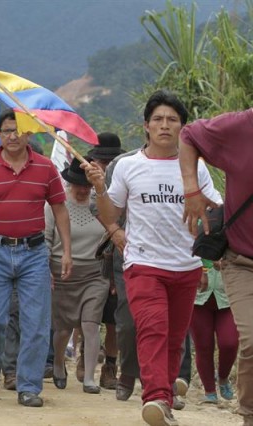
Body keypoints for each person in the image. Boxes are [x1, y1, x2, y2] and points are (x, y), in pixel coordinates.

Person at [83, 90, 221, 426]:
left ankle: (165, 398)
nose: (164, 125)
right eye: (157, 119)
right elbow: (111, 213)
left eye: (172, 120)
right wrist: (100, 188)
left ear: (183, 128)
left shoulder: (197, 169)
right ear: (145, 126)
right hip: (144, 265)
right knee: (153, 329)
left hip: (186, 267)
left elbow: (215, 210)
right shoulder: (129, 165)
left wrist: (209, 255)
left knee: (175, 339)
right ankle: (156, 397)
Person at [0, 109, 72, 408]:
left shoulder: (46, 167)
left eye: (18, 130)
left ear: (28, 133)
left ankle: (28, 386)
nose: (12, 136)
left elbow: (60, 209)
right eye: (7, 131)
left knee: (36, 323)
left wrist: (66, 251)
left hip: (35, 253)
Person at [179, 109, 253, 425]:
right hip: (242, 261)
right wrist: (192, 190)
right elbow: (189, 135)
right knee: (250, 339)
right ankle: (249, 412)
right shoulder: (241, 127)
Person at [48, 158, 107, 394]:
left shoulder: (101, 204)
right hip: (62, 273)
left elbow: (114, 230)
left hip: (95, 273)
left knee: (90, 325)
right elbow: (45, 238)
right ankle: (58, 362)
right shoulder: (55, 204)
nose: (83, 189)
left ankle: (90, 378)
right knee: (63, 329)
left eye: (87, 186)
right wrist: (45, 269)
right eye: (78, 185)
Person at [86, 132, 124, 390]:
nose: (106, 165)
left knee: (113, 316)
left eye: (111, 161)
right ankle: (84, 356)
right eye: (103, 161)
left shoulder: (127, 177)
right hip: (94, 255)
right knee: (87, 314)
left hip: (121, 255)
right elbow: (100, 213)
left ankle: (111, 365)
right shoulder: (91, 186)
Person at [190, 259, 238, 404]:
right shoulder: (195, 236)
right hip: (198, 296)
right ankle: (210, 392)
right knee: (203, 346)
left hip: (229, 295)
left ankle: (223, 377)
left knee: (229, 343)